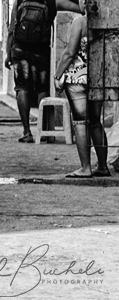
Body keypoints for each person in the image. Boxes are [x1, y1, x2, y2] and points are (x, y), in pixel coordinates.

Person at [7, 0, 82, 144]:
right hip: (40, 52)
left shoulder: (20, 0)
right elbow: (76, 8)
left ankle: (26, 131)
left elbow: (11, 29)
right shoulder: (52, 0)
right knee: (42, 90)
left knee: (21, 89)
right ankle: (44, 132)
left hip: (18, 50)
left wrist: (8, 53)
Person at [53, 10, 109, 178]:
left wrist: (58, 75)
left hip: (78, 78)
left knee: (80, 122)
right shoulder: (107, 21)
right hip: (98, 77)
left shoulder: (80, 22)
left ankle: (85, 167)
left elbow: (70, 53)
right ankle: (103, 166)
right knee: (95, 122)